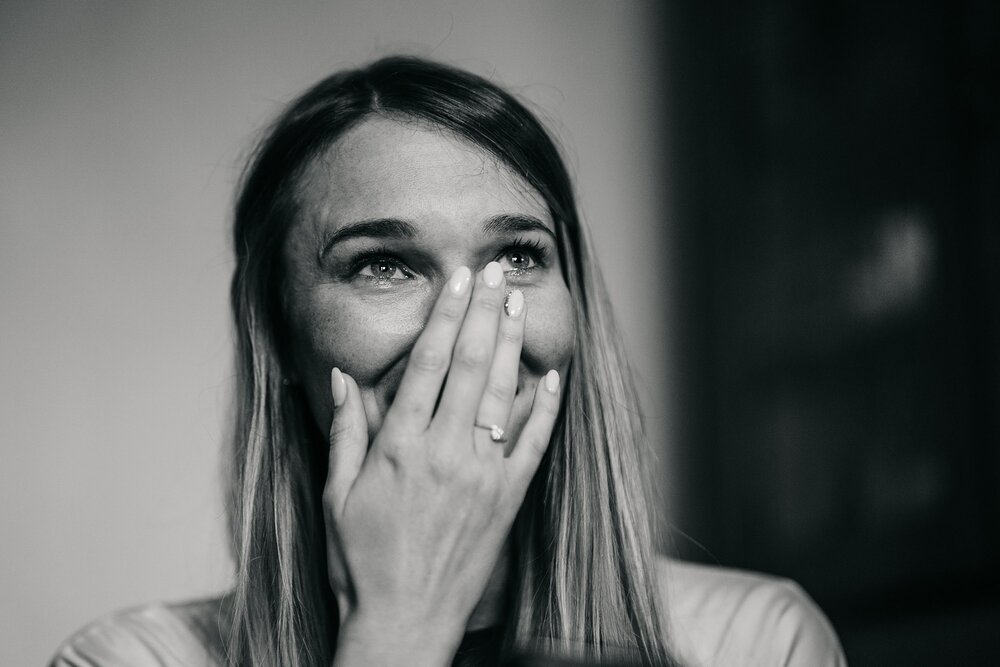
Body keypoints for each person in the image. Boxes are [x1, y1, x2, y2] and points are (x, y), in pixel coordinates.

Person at [50, 56, 846, 667]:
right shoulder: (131, 658)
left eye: (518, 255)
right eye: (383, 264)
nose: (467, 323)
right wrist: (400, 626)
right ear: (275, 330)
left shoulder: (756, 642)